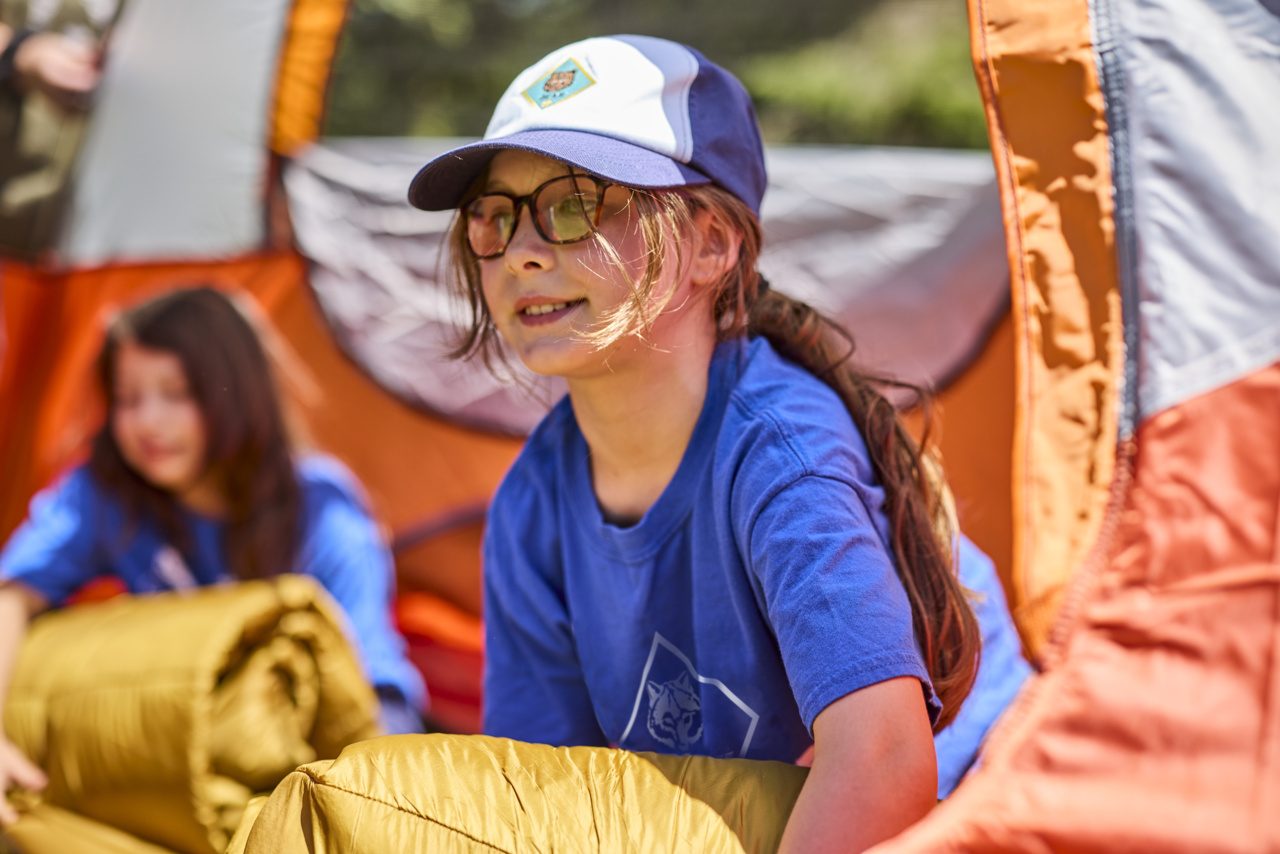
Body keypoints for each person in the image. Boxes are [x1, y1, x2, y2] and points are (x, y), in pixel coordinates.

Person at [406, 35, 1029, 852]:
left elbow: (884, 762)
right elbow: (542, 795)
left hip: (968, 808)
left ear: (710, 244)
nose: (522, 251)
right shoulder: (533, 501)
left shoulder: (780, 455)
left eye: (576, 204)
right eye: (494, 216)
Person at [0, 286, 425, 825]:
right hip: (187, 761)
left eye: (176, 394)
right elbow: (12, 597)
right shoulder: (105, 496)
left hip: (313, 762)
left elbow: (377, 688)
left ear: (235, 394)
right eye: (129, 399)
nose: (148, 422)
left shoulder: (320, 510)